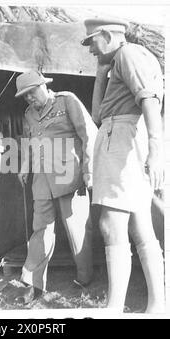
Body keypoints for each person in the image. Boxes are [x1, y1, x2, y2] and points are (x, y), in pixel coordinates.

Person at [81, 17, 165, 313]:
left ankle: (114, 307)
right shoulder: (117, 60)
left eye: (92, 41)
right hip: (118, 137)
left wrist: (156, 150)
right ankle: (156, 305)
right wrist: (101, 73)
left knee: (110, 223)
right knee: (140, 226)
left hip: (124, 140)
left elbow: (150, 102)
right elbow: (97, 115)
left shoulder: (129, 54)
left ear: (106, 34)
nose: (90, 50)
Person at [14, 70, 98, 303]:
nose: (29, 98)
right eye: (25, 96)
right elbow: (30, 143)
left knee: (77, 228)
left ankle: (85, 278)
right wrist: (24, 167)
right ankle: (33, 283)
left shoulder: (67, 100)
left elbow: (89, 135)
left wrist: (89, 171)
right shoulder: (29, 114)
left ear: (43, 86)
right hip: (42, 180)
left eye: (31, 93)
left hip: (69, 176)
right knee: (40, 229)